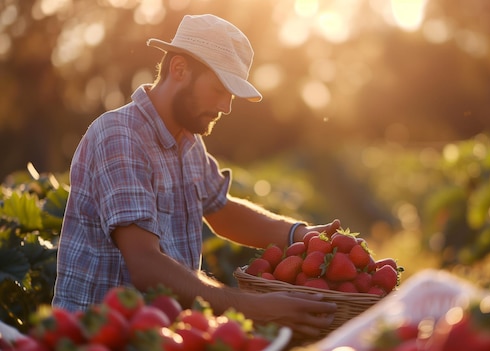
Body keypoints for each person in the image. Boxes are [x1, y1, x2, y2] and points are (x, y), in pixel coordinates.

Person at [52, 13, 340, 338]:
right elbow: (145, 264)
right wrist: (254, 307)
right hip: (99, 336)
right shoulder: (120, 136)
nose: (227, 106)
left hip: (161, 334)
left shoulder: (188, 141)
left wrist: (299, 234)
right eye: (219, 88)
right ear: (179, 69)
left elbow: (221, 209)